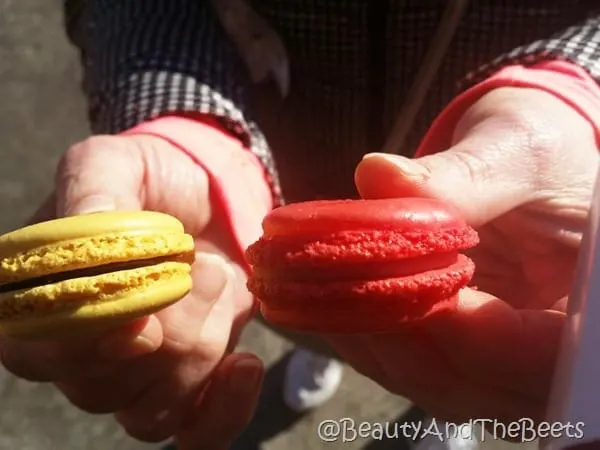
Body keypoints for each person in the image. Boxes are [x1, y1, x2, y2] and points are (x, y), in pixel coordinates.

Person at [1, 0, 600, 449]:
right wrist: (185, 121)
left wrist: (576, 91)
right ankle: (325, 351)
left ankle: (442, 414)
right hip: (267, 181)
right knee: (311, 307)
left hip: (498, 213)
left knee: (446, 330)